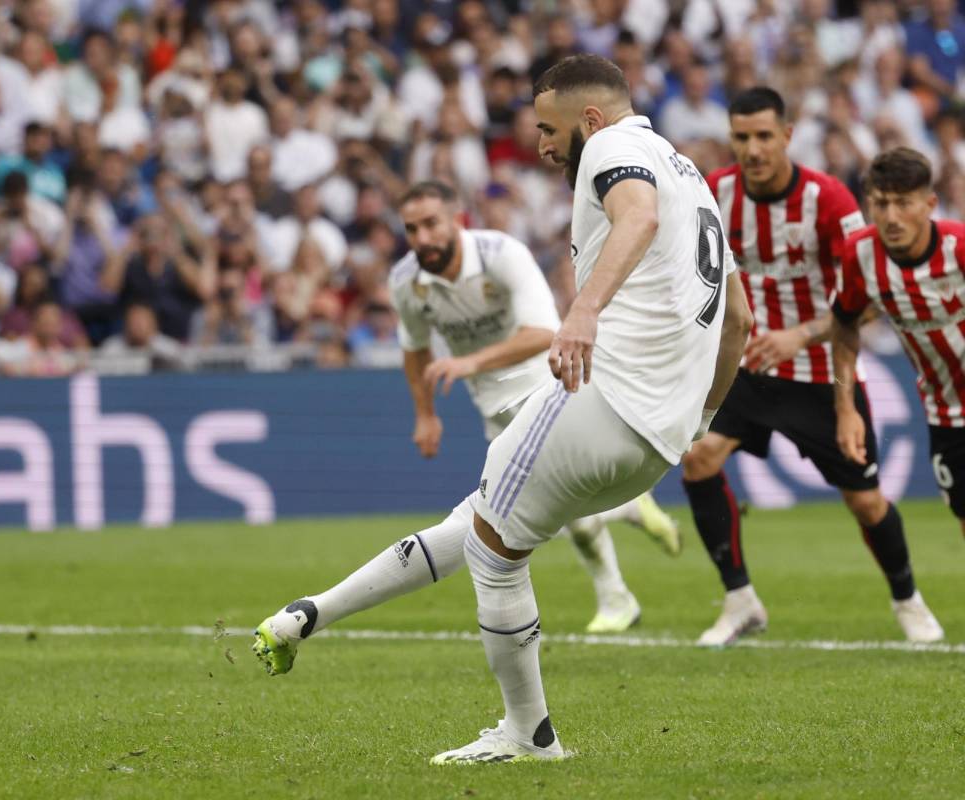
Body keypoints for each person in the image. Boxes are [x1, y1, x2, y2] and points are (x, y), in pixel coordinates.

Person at [256, 55, 753, 764]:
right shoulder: (691, 174)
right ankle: (308, 615)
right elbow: (738, 320)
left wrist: (583, 311)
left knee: (493, 553)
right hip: (658, 434)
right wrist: (701, 418)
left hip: (604, 394)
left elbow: (636, 217)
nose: (541, 145)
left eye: (548, 129)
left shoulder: (610, 148)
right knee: (479, 523)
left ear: (589, 118)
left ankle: (528, 734)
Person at [255, 178, 681, 652]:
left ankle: (616, 596)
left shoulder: (502, 254)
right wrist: (425, 415)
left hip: (546, 389)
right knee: (556, 510)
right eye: (412, 229)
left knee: (533, 514)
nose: (422, 238)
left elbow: (544, 332)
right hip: (493, 407)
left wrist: (468, 362)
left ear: (456, 219)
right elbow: (415, 350)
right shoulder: (407, 281)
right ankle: (627, 524)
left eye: (431, 224)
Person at [684, 88, 943, 647]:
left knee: (865, 501)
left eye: (764, 136)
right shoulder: (714, 192)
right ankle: (739, 600)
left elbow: (868, 298)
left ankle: (908, 598)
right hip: (748, 368)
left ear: (787, 136)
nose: (753, 149)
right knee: (699, 459)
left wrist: (798, 336)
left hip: (824, 372)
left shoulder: (828, 200)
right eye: (742, 137)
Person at [833, 147, 965, 547]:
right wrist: (845, 409)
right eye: (881, 203)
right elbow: (844, 324)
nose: (891, 217)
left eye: (903, 203)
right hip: (946, 414)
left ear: (929, 205)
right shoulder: (860, 255)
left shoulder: (958, 248)